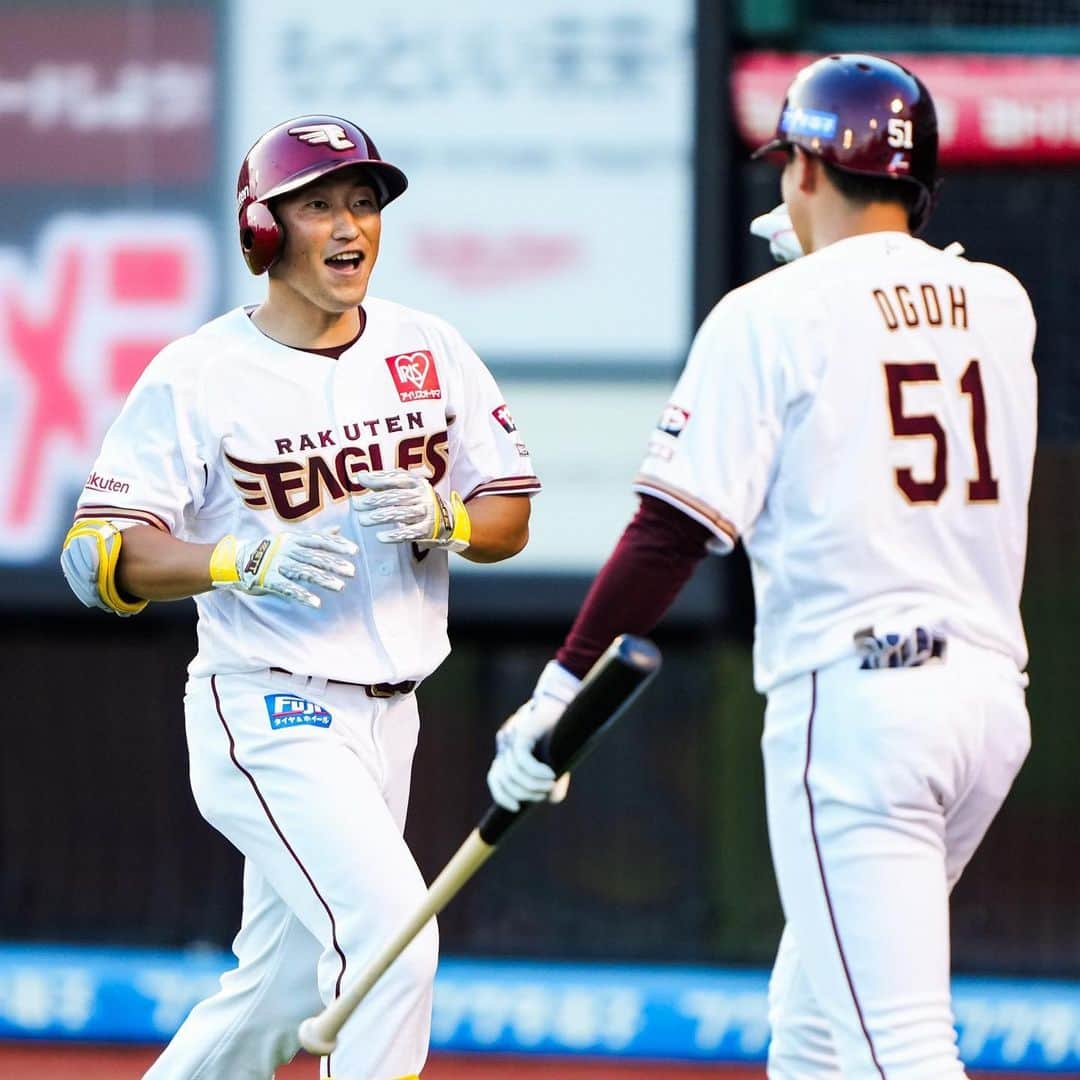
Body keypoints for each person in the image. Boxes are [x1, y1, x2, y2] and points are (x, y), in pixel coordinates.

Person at [487, 54, 1036, 1079]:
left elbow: (668, 534)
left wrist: (560, 690)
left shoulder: (769, 315)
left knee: (898, 1052)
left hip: (862, 709)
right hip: (985, 710)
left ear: (811, 171)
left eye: (791, 162)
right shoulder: (1001, 302)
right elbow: (901, 313)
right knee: (815, 1027)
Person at [60, 115, 540, 1080]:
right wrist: (233, 561)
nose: (349, 224)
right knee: (392, 946)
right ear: (264, 230)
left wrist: (449, 519)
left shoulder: (428, 345)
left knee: (278, 994)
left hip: (388, 716)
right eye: (318, 204)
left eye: (363, 202)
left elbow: (510, 513)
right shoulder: (199, 372)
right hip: (268, 704)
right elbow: (95, 553)